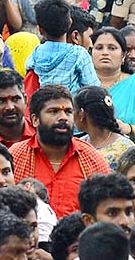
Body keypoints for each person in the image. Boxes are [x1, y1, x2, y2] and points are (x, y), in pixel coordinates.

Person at [9, 85, 109, 218]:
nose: (63, 118)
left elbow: (106, 208)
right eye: (53, 111)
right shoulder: (16, 156)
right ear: (35, 120)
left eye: (68, 112)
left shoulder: (92, 159)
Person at [90, 26, 135, 142]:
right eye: (99, 48)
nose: (105, 53)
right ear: (91, 53)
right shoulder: (79, 83)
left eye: (112, 48)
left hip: (133, 156)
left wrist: (130, 129)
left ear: (123, 56)